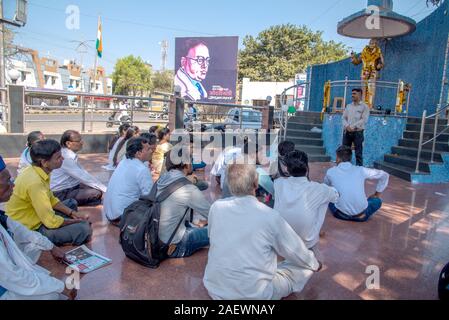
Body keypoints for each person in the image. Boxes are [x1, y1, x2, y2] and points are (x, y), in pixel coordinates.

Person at [203, 162, 322, 300]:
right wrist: (314, 263)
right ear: (256, 183)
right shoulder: (270, 216)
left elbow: (213, 237)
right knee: (304, 265)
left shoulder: (216, 207)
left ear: (229, 184)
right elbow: (296, 251)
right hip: (255, 295)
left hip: (215, 288)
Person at [0, 156, 77, 300]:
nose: (13, 185)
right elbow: (10, 274)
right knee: (52, 295)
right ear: (44, 161)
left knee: (35, 246)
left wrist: (52, 247)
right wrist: (59, 286)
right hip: (4, 287)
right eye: (7, 181)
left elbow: (21, 230)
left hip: (36, 226)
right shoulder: (34, 180)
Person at [5, 140, 92, 246]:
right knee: (84, 229)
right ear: (44, 162)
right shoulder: (35, 183)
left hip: (38, 215)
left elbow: (51, 199)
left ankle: (69, 224)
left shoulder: (39, 171)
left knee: (71, 203)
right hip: (29, 228)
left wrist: (73, 214)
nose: (62, 159)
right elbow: (51, 222)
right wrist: (76, 221)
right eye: (58, 157)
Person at [273, 150, 339, 249]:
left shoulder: (278, 183)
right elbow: (336, 197)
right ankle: (310, 242)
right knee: (325, 199)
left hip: (280, 241)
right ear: (307, 168)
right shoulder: (320, 189)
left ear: (286, 168)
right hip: (306, 243)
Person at [157, 149, 210, 258]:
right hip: (175, 245)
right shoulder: (187, 188)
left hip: (156, 239)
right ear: (186, 164)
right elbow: (214, 215)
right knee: (217, 231)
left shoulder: (161, 180)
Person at [324, 145, 389, 222]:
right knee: (377, 201)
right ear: (350, 158)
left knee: (329, 196)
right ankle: (361, 215)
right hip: (361, 215)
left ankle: (344, 212)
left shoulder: (331, 172)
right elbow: (385, 175)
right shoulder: (361, 170)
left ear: (338, 158)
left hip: (339, 214)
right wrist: (377, 194)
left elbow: (326, 188)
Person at [103, 136, 157, 225]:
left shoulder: (123, 162)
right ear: (138, 153)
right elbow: (149, 196)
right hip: (122, 216)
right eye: (148, 149)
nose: (151, 151)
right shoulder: (141, 169)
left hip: (110, 214)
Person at [50, 130, 107, 206]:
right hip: (61, 193)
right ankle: (67, 204)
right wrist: (106, 190)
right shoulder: (66, 157)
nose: (82, 142)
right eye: (79, 141)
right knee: (97, 193)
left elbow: (84, 173)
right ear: (68, 143)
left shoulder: (67, 154)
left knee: (94, 186)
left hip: (71, 186)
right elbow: (84, 177)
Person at [342, 88, 370, 166]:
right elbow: (343, 118)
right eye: (352, 93)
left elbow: (364, 119)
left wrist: (353, 127)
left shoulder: (365, 107)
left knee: (358, 153)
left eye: (354, 94)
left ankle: (359, 170)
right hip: (347, 132)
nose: (352, 95)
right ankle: (345, 168)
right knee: (345, 152)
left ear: (360, 95)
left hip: (358, 133)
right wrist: (347, 126)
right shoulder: (348, 106)